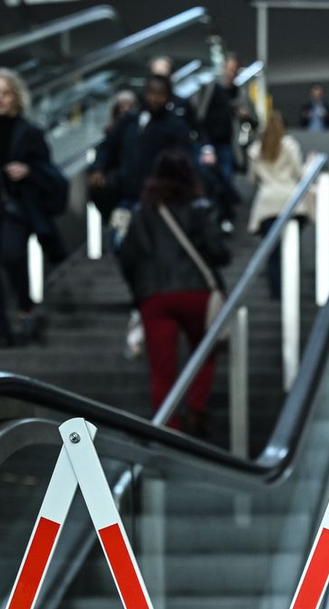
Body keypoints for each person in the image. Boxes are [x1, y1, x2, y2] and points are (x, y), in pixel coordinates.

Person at [117, 148, 230, 436]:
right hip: (195, 292)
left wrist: (139, 292)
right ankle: (196, 407)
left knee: (161, 368)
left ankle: (168, 430)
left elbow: (127, 256)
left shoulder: (141, 213)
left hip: (154, 296)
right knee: (204, 352)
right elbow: (218, 252)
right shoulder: (200, 208)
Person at [0, 68, 63, 348]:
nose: (0, 99)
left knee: (13, 253)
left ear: (15, 95)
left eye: (5, 93)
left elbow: (48, 170)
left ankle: (26, 306)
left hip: (16, 204)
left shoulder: (29, 132)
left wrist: (27, 170)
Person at [90, 75, 193, 235]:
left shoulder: (176, 127)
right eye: (151, 93)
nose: (155, 98)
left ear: (168, 96)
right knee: (118, 239)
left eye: (160, 94)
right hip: (127, 193)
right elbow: (108, 146)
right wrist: (98, 168)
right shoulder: (130, 120)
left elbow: (184, 160)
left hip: (158, 199)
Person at [247, 112, 310, 299]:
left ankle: (277, 292)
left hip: (267, 205)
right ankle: (291, 290)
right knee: (290, 249)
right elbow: (300, 173)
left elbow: (252, 179)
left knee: (273, 252)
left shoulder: (256, 150)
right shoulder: (290, 146)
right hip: (291, 203)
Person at [197, 53, 258, 184]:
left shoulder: (240, 93)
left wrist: (244, 116)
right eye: (229, 69)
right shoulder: (210, 89)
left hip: (228, 142)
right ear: (224, 68)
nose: (231, 73)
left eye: (234, 70)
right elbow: (200, 114)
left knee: (226, 179)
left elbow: (254, 122)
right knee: (205, 178)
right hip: (207, 139)